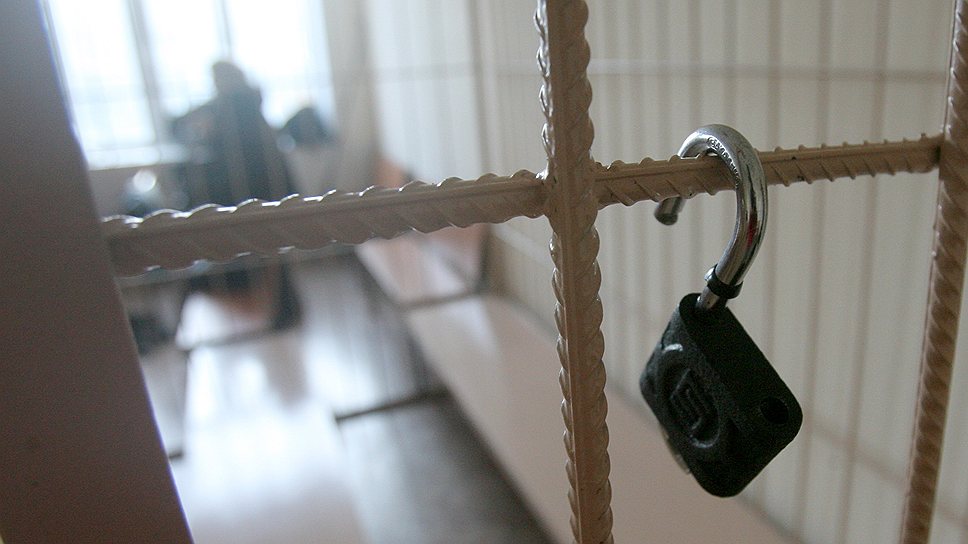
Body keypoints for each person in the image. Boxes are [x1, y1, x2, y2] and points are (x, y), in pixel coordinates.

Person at [172, 61, 301, 330]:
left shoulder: (234, 107)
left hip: (258, 191)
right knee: (274, 253)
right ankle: (287, 311)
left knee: (271, 253)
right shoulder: (243, 103)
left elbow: (224, 148)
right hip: (267, 189)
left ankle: (286, 312)